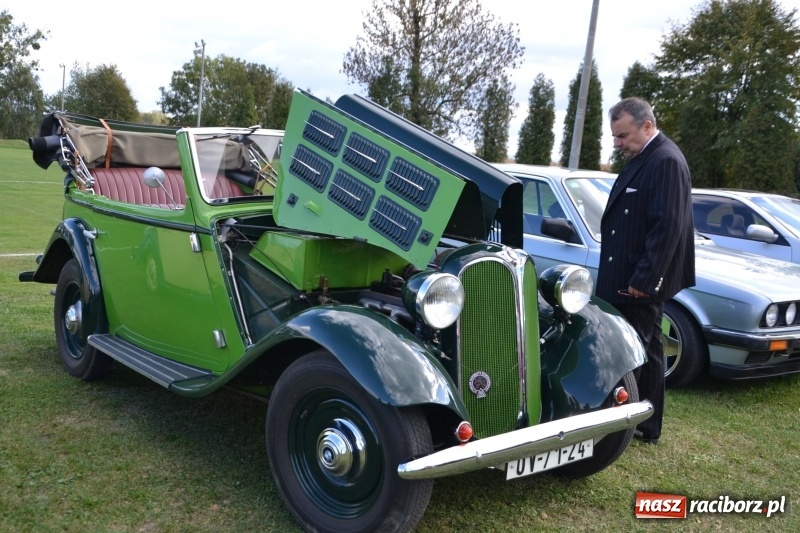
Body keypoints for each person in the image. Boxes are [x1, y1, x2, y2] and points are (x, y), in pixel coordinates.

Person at [596, 97, 695, 445]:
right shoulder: (644, 156)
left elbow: (668, 227)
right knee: (650, 351)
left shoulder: (666, 160)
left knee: (628, 353)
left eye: (623, 135)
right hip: (626, 274)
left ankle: (616, 428)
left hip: (636, 281)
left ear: (647, 126)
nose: (618, 143)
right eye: (615, 137)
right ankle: (647, 424)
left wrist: (645, 280)